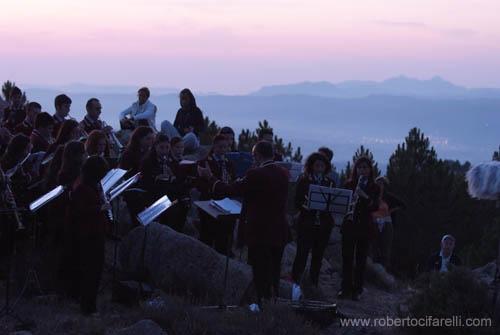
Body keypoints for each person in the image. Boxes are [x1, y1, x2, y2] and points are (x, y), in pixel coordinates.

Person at [197, 141, 289, 311]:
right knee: (274, 271)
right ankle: (273, 305)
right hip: (279, 230)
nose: (253, 160)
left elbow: (230, 190)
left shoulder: (256, 174)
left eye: (254, 156)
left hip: (260, 231)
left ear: (258, 156)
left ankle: (262, 306)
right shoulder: (283, 173)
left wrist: (210, 177)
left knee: (260, 271)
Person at [66, 155, 109, 315]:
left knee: (94, 271)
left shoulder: (90, 185)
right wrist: (101, 208)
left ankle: (89, 304)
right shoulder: (83, 188)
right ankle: (88, 307)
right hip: (89, 234)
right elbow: (80, 211)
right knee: (91, 271)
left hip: (94, 233)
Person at [291, 153, 335, 300]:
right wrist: (307, 207)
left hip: (323, 225)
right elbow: (297, 202)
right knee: (301, 255)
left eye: (322, 166)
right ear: (311, 166)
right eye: (317, 165)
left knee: (318, 257)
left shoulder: (329, 183)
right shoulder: (304, 181)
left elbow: (334, 204)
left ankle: (313, 286)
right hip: (307, 223)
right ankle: (295, 285)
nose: (319, 168)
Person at [338, 156, 380, 301]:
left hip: (364, 227)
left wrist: (365, 197)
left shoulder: (375, 187)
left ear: (370, 170)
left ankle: (358, 290)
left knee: (361, 260)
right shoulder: (349, 184)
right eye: (360, 167)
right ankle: (345, 288)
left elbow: (375, 206)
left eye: (365, 168)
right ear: (355, 169)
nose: (362, 170)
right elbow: (341, 202)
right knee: (347, 258)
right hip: (350, 225)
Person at [139, 134, 190, 232]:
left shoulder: (169, 161)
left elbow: (176, 181)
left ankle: (176, 234)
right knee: (173, 209)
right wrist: (156, 178)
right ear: (155, 147)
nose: (165, 151)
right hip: (154, 197)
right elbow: (144, 183)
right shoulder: (148, 162)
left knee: (183, 203)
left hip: (168, 196)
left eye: (167, 147)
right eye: (161, 147)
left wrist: (173, 177)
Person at [196, 135, 236, 254]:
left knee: (223, 237)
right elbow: (199, 184)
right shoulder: (204, 162)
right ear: (214, 146)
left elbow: (232, 180)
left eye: (225, 147)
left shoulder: (229, 163)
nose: (223, 150)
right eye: (220, 147)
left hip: (225, 203)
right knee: (206, 235)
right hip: (208, 203)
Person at [119, 126, 154, 225]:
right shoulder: (129, 154)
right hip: (134, 189)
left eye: (152, 139)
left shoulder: (149, 152)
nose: (151, 141)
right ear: (139, 139)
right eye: (148, 139)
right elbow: (125, 175)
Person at [371, 176, 406, 270]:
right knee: (373, 246)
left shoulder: (388, 196)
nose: (379, 185)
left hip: (386, 223)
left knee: (385, 248)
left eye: (381, 184)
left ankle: (384, 270)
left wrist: (391, 211)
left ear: (384, 185)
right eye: (377, 183)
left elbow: (402, 204)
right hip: (373, 223)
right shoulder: (371, 196)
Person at [161, 88, 205, 153]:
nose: (183, 101)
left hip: (191, 139)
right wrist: (181, 130)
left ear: (190, 99)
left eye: (185, 98)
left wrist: (193, 129)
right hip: (180, 137)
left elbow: (202, 127)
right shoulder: (180, 111)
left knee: (191, 136)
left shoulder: (196, 111)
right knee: (165, 123)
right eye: (182, 99)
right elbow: (175, 126)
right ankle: (172, 146)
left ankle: (175, 147)